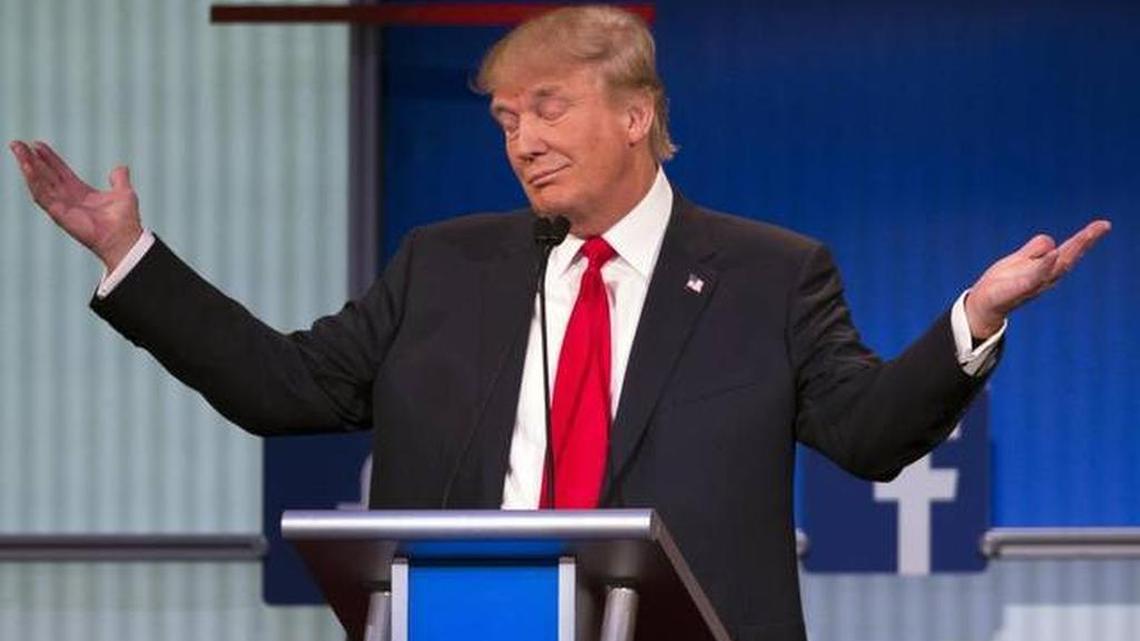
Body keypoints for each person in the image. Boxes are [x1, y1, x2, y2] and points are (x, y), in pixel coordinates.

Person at [8, 5, 1109, 640]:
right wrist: (130, 259)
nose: (520, 138)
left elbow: (870, 432)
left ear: (635, 116)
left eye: (546, 108)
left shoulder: (768, 274)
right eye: (502, 117)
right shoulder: (445, 266)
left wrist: (972, 316)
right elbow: (281, 386)